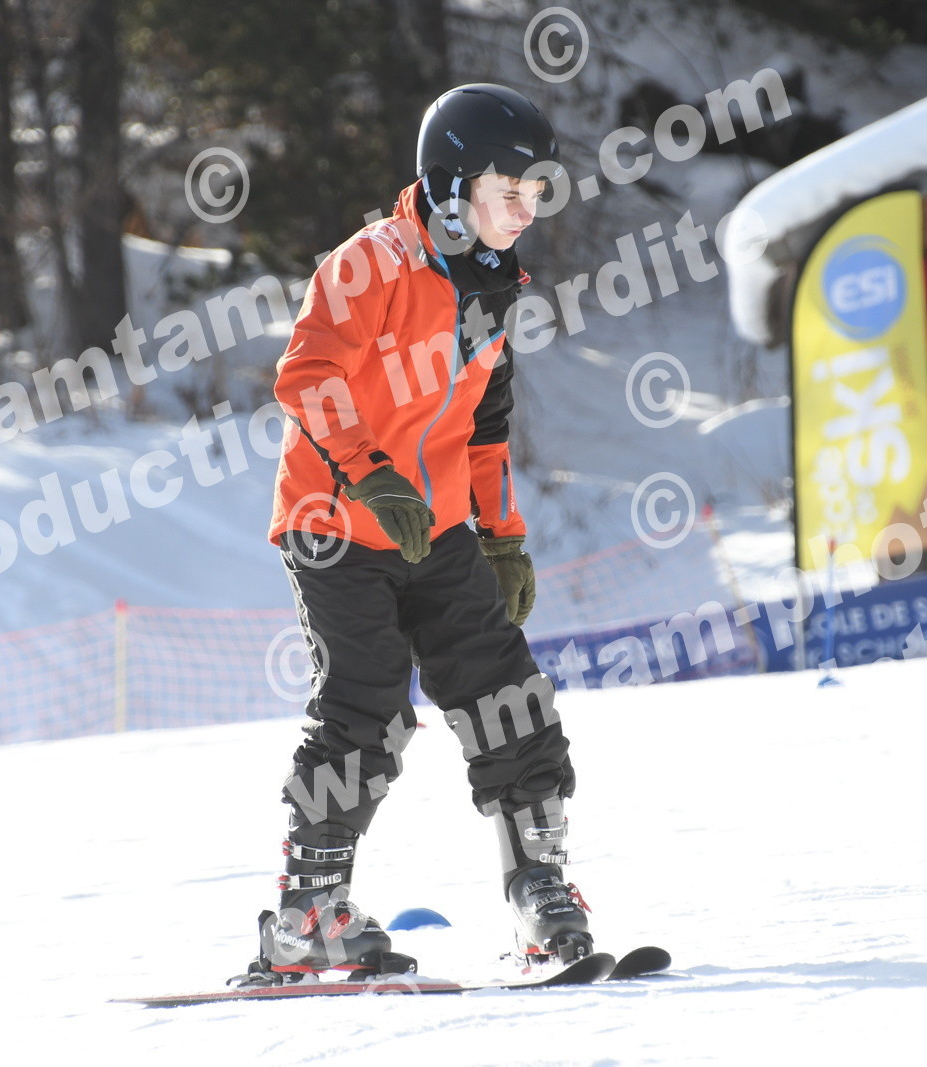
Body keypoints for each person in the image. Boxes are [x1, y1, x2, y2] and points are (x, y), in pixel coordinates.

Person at [248, 83, 588, 981]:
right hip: (334, 524)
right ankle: (307, 913)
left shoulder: (494, 284)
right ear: (450, 184)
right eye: (510, 190)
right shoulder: (369, 264)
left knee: (507, 693)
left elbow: (485, 425)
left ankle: (540, 887)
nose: (528, 209)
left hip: (436, 530)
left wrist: (501, 535)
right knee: (367, 708)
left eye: (537, 192)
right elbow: (307, 375)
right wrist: (368, 471)